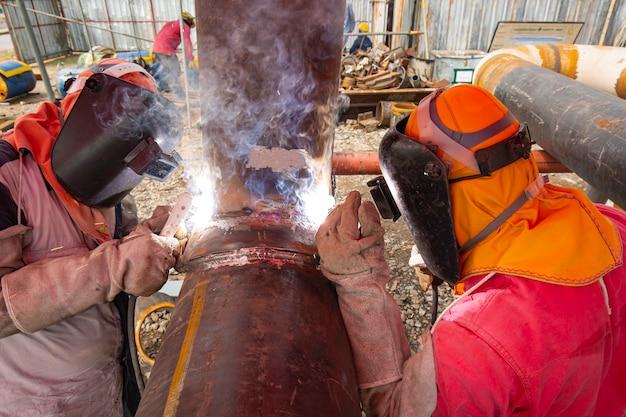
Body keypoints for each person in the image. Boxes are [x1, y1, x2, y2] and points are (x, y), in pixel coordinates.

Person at [316, 84, 626, 416]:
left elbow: (396, 408)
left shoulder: (475, 340)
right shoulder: (610, 224)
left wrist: (360, 283)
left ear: (438, 193)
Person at [0, 58, 184, 416]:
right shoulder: (8, 177)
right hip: (34, 404)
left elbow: (109, 244)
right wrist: (112, 268)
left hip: (110, 387)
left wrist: (151, 237)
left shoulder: (106, 173)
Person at [151, 12, 196, 93]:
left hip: (156, 49)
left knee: (166, 70)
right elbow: (187, 42)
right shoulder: (184, 26)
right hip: (166, 50)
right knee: (176, 71)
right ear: (188, 20)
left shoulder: (171, 24)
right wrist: (190, 58)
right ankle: (159, 86)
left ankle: (161, 85)